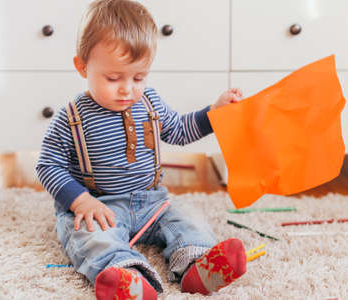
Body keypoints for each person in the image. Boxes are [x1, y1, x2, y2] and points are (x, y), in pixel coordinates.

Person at [36, 0, 246, 299]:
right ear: (82, 66)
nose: (127, 89)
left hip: (152, 202)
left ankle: (198, 267)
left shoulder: (148, 102)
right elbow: (48, 165)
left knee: (187, 219)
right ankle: (127, 278)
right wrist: (81, 201)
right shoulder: (71, 118)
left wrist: (214, 113)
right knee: (90, 237)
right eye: (113, 78)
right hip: (101, 205)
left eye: (139, 77)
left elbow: (180, 130)